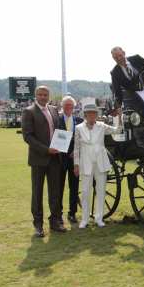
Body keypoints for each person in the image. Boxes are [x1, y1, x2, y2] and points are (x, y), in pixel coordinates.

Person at [21, 85, 66, 237]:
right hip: (39, 159)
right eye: (40, 94)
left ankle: (55, 222)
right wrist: (46, 149)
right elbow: (27, 136)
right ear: (36, 95)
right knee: (37, 193)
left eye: (45, 94)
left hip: (55, 159)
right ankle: (38, 225)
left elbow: (59, 131)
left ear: (49, 96)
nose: (42, 97)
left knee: (55, 192)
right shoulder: (29, 111)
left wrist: (61, 145)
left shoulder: (54, 110)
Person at [73, 103, 122, 228]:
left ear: (96, 115)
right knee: (85, 192)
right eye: (89, 113)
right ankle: (84, 219)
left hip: (100, 161)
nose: (92, 115)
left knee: (101, 191)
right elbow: (77, 148)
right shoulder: (78, 128)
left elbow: (117, 130)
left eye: (94, 113)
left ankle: (99, 218)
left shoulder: (101, 126)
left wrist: (120, 117)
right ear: (85, 115)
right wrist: (76, 164)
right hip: (86, 162)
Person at [58, 95, 83, 224]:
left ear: (73, 107)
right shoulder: (57, 119)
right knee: (59, 187)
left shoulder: (79, 120)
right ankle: (59, 214)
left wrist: (76, 151)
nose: (68, 107)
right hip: (60, 158)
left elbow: (84, 139)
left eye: (70, 105)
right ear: (62, 106)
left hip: (74, 158)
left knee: (74, 187)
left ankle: (72, 213)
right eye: (66, 105)